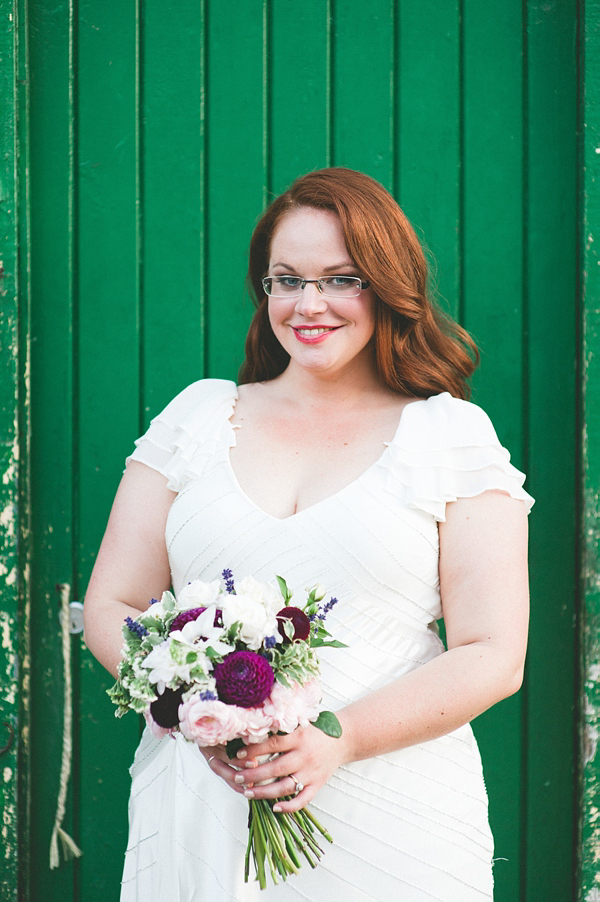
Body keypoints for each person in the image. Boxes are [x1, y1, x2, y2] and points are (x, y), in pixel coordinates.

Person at [84, 167, 533, 901]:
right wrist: (199, 704)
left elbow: (493, 654)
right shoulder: (197, 417)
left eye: (341, 279)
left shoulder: (450, 436)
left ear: (387, 287)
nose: (309, 304)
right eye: (286, 280)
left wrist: (340, 737)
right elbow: (113, 603)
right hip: (204, 802)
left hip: (395, 817)